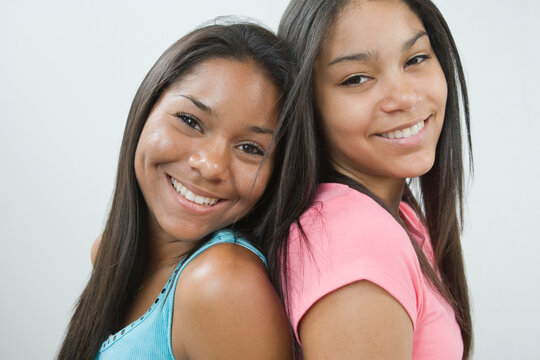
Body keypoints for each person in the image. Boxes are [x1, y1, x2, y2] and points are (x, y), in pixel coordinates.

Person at [57, 22, 294, 360]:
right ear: (147, 107)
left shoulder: (221, 283)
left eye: (250, 148)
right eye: (191, 121)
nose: (211, 165)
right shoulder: (111, 253)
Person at [260, 0, 473, 359]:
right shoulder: (356, 238)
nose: (404, 98)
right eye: (357, 78)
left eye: (416, 59)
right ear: (307, 105)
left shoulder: (398, 214)